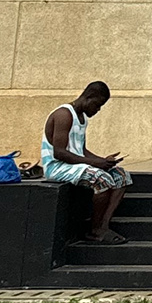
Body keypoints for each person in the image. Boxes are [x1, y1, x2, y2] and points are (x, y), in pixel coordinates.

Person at [41, 81, 131, 241]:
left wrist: (104, 161)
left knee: (121, 176)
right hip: (57, 167)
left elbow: (81, 150)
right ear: (89, 97)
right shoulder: (64, 115)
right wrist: (96, 164)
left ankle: (103, 225)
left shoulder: (82, 119)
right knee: (102, 180)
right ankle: (94, 230)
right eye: (97, 105)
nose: (97, 110)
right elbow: (59, 153)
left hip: (75, 165)